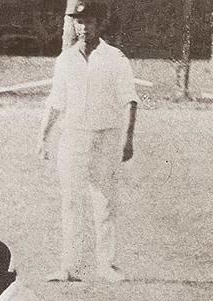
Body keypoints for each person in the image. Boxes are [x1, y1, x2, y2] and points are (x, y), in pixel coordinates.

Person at [38, 1, 138, 284]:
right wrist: (42, 135)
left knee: (104, 200)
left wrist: (128, 140)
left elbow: (130, 100)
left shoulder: (115, 57)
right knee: (71, 201)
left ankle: (106, 265)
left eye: (89, 22)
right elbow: (56, 102)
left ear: (99, 24)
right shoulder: (66, 60)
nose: (83, 27)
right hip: (74, 136)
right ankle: (69, 268)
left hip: (106, 136)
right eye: (78, 22)